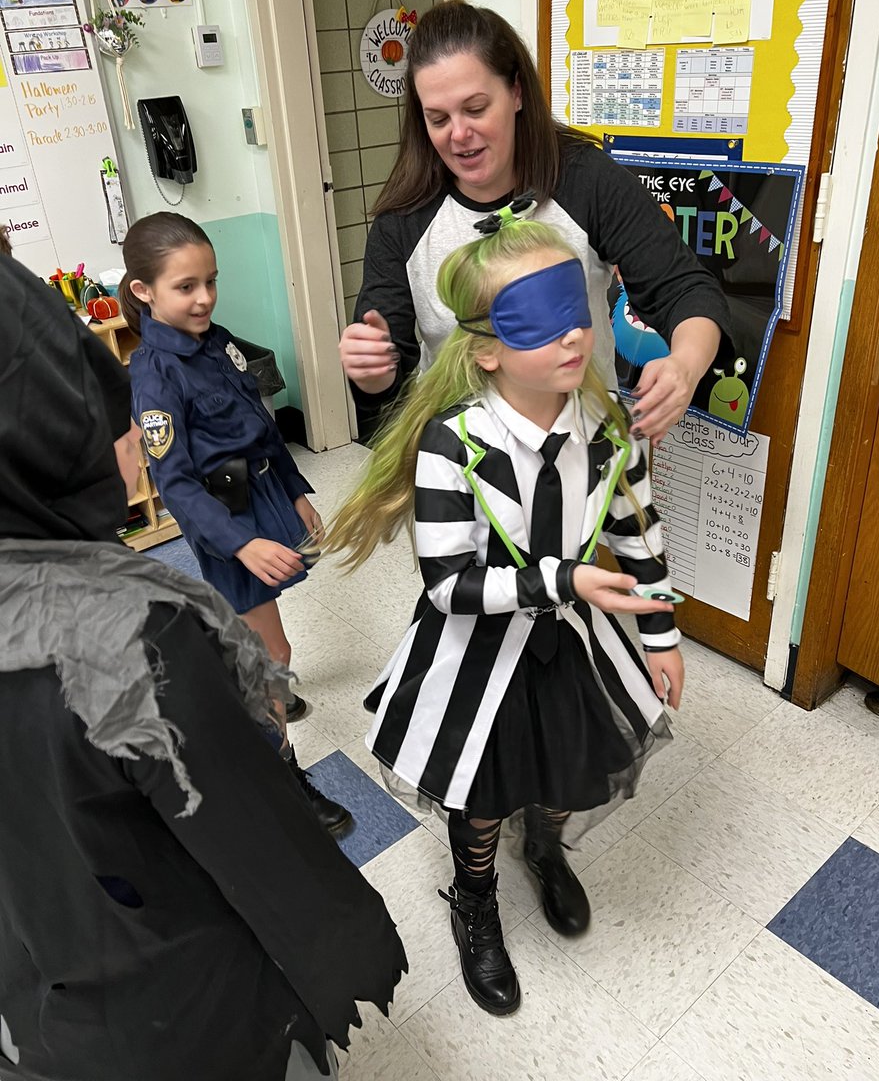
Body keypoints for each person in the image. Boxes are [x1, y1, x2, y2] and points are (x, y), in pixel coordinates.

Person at [0, 252, 407, 1080]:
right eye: (106, 420)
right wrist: (348, 947)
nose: (128, 448)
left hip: (45, 994)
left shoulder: (220, 346)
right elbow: (257, 847)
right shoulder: (133, 638)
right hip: (184, 1011)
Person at [327, 216, 684, 1016]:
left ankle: (546, 847)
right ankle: (475, 896)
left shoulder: (609, 432)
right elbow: (448, 584)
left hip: (572, 645)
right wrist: (564, 579)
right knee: (483, 790)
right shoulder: (452, 445)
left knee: (569, 764)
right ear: (487, 349)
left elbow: (639, 531)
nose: (574, 335)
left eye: (577, 312)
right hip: (478, 652)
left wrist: (660, 633)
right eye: (542, 321)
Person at [339, 0, 731, 445]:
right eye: (439, 119)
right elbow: (386, 389)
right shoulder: (403, 221)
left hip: (583, 448)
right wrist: (371, 371)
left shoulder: (586, 181)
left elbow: (685, 289)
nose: (459, 134)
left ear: (517, 93)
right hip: (462, 463)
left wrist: (684, 366)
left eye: (476, 108)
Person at [121, 212, 350, 833]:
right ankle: (282, 773)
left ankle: (267, 691)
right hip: (225, 520)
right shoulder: (155, 373)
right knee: (268, 651)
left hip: (264, 494)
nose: (204, 298)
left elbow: (261, 425)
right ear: (143, 291)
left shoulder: (217, 340)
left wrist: (297, 491)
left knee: (265, 637)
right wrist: (242, 543)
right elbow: (174, 483)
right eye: (185, 287)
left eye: (211, 281)